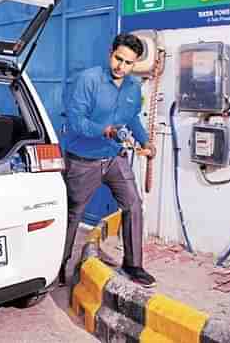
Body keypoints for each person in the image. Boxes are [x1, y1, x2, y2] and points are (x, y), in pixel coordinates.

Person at [60, 33, 157, 288]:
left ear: (135, 64)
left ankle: (133, 265)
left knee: (133, 204)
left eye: (128, 63)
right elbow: (75, 121)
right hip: (83, 160)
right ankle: (59, 266)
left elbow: (133, 118)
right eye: (118, 59)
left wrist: (145, 142)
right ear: (110, 53)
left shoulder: (134, 87)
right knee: (73, 214)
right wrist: (105, 130)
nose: (120, 67)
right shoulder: (89, 80)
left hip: (114, 157)